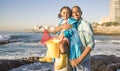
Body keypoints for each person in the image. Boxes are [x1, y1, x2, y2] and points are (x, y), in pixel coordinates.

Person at [39, 6, 82, 71]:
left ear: (70, 13)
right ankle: (48, 56)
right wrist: (60, 30)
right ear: (61, 13)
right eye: (64, 13)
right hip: (61, 37)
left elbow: (73, 30)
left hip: (68, 38)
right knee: (49, 42)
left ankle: (63, 61)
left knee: (62, 45)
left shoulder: (72, 21)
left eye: (67, 13)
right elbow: (56, 30)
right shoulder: (61, 21)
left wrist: (64, 34)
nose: (65, 14)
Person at [62, 6, 95, 71]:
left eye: (77, 12)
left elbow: (91, 44)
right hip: (73, 59)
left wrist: (79, 60)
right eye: (73, 12)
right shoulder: (74, 24)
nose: (75, 14)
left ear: (81, 13)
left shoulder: (85, 25)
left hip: (82, 61)